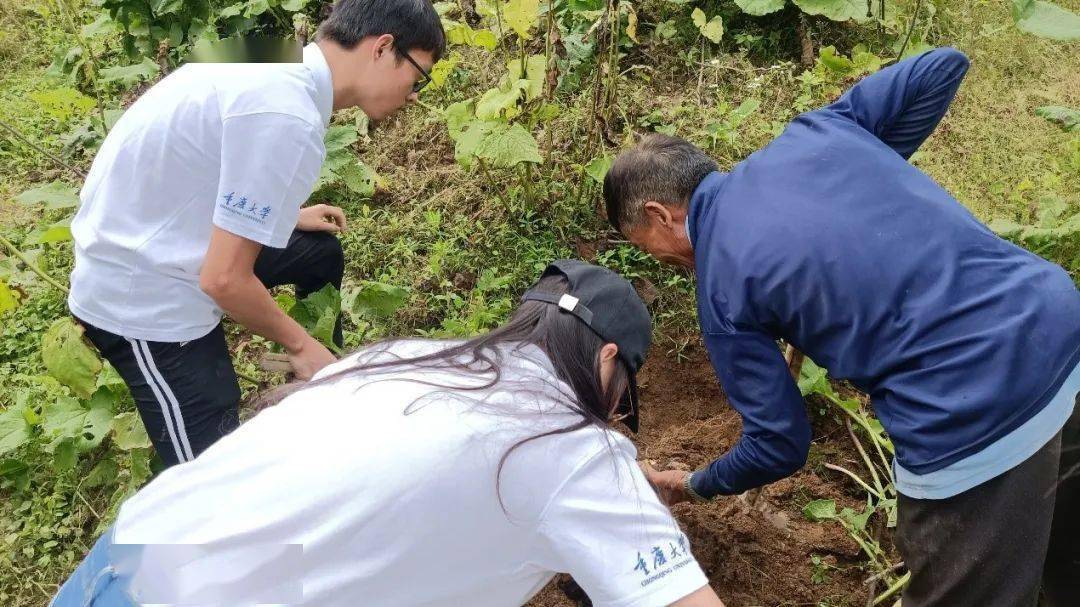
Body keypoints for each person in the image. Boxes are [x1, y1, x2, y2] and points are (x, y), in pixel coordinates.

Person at [602, 47, 1080, 606]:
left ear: (661, 215)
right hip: (1060, 327)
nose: (672, 266)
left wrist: (692, 484)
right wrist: (870, 166)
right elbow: (941, 65)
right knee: (1067, 558)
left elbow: (779, 445)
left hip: (970, 410)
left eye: (655, 254)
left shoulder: (723, 287)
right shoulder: (818, 135)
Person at [50, 260, 726, 607]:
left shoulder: (402, 359)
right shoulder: (580, 456)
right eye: (623, 404)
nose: (613, 420)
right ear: (609, 361)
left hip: (123, 561)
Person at [67, 0, 445, 467]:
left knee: (315, 254)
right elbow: (222, 280)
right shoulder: (288, 117)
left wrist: (281, 215)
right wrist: (299, 344)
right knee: (211, 463)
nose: (414, 95)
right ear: (383, 48)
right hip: (142, 292)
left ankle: (317, 382)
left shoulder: (270, 52)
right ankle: (312, 363)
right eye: (419, 76)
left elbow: (203, 147)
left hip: (155, 231)